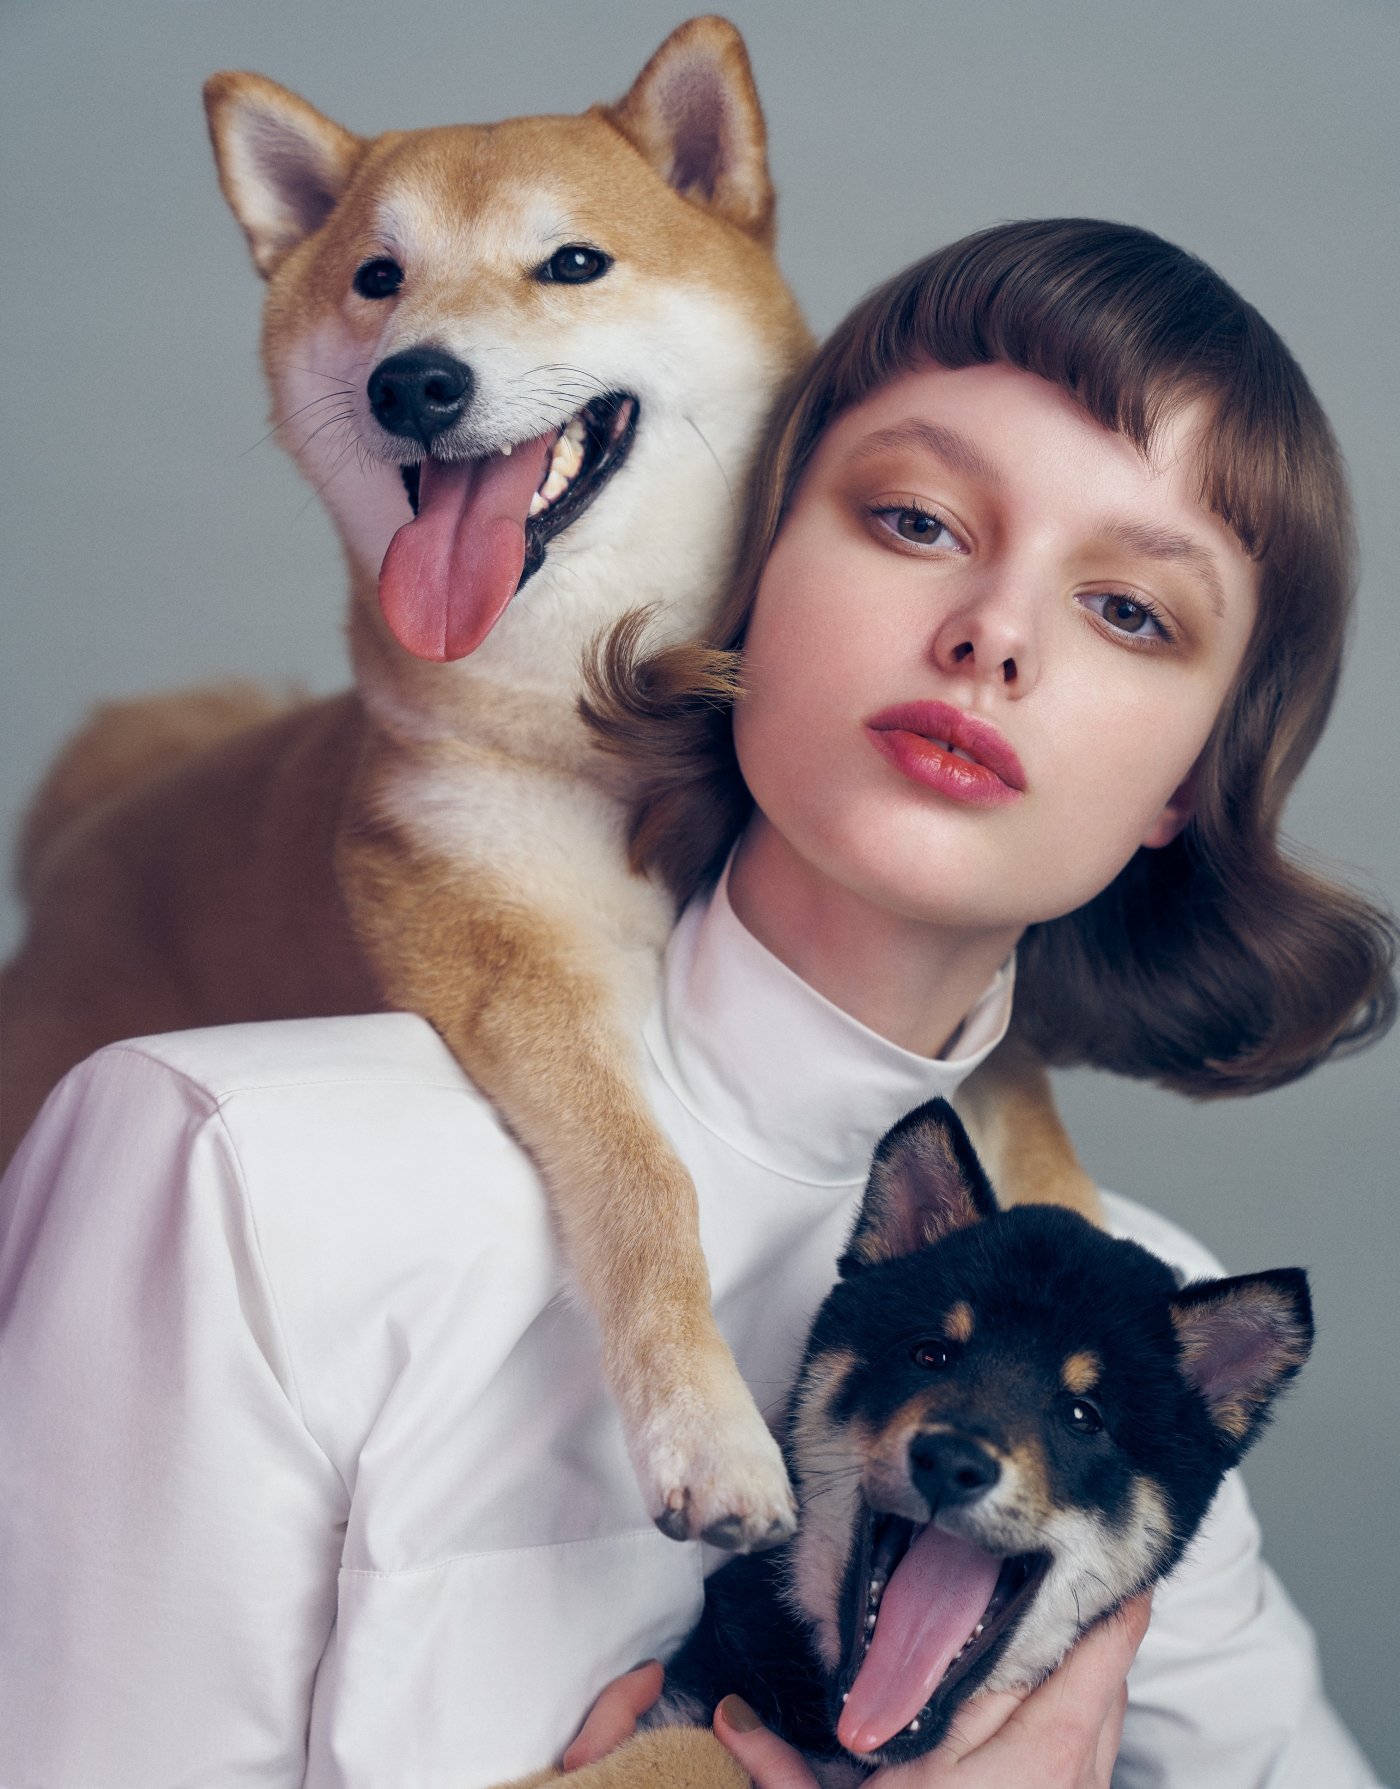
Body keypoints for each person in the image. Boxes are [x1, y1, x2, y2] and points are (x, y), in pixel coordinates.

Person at [0, 220, 1392, 1789]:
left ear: (1183, 789)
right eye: (917, 519)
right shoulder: (239, 1173)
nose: (994, 633)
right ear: (749, 566)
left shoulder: (1148, 1331)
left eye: (1132, 610)